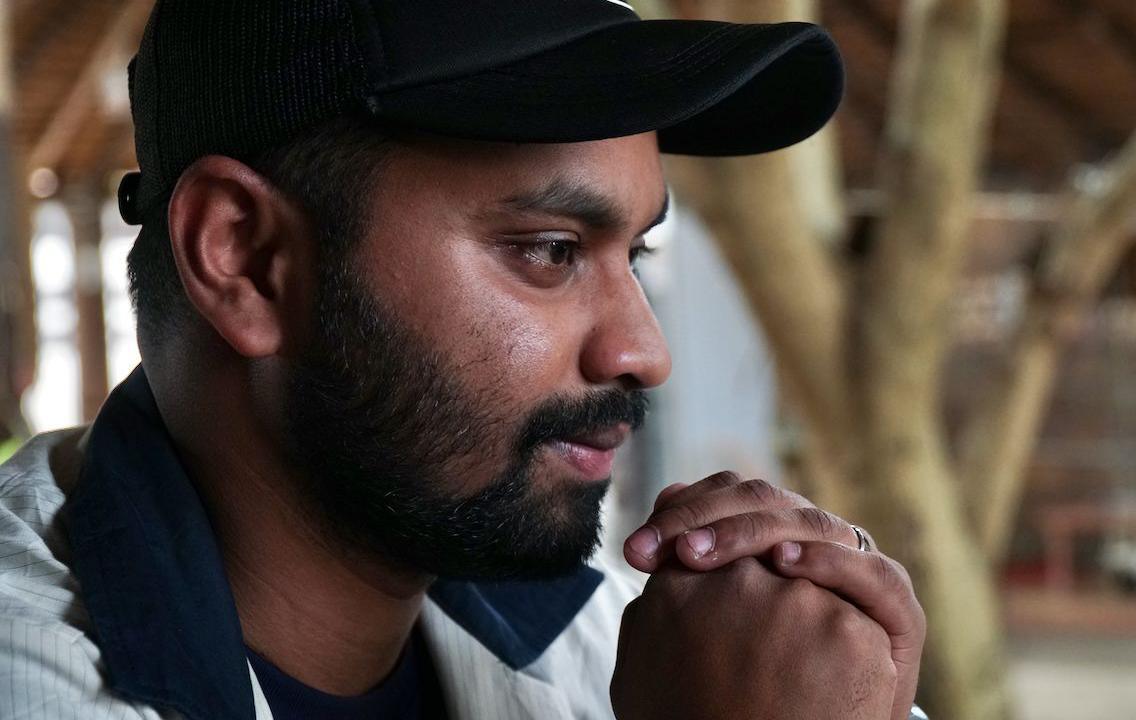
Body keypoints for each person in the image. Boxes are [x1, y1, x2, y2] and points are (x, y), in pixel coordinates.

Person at [0, 1, 927, 718]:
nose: (643, 350)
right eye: (552, 250)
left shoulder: (621, 630)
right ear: (244, 258)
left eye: (634, 254)